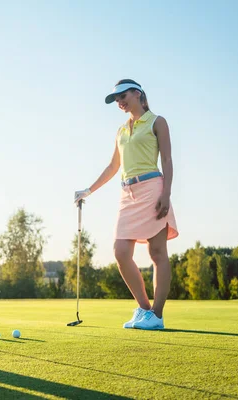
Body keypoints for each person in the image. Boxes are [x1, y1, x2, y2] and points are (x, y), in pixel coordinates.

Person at [73, 79, 178, 330]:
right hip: (127, 194)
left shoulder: (157, 121)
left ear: (137, 93)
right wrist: (88, 190)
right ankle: (144, 308)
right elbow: (113, 167)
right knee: (121, 253)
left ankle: (157, 315)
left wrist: (167, 194)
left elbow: (167, 159)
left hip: (152, 189)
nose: (119, 102)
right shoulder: (121, 130)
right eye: (116, 99)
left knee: (157, 253)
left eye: (122, 96)